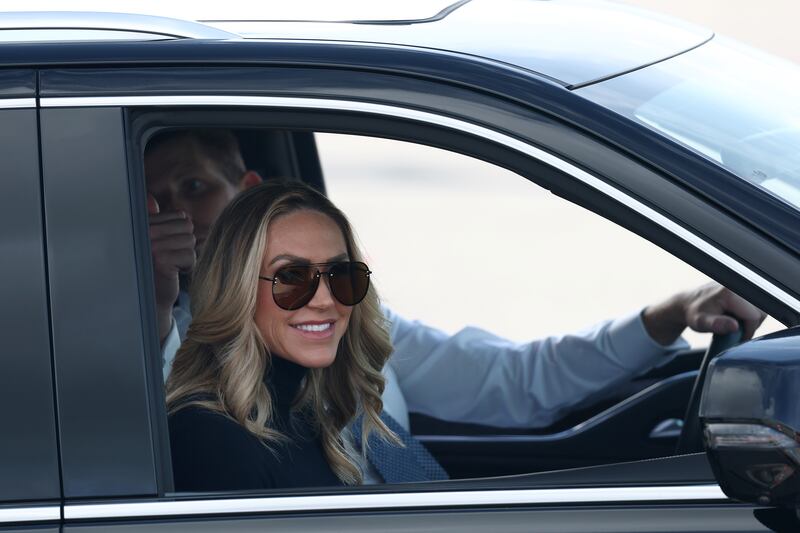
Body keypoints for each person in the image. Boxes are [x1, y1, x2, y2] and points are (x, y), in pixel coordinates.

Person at [147, 128, 767, 483]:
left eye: (195, 188)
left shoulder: (350, 325)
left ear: (245, 192)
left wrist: (670, 313)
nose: (177, 212)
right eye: (151, 200)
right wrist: (155, 301)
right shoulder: (175, 381)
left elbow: (516, 381)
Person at [167, 182, 396, 490]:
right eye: (290, 277)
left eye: (340, 274)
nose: (325, 300)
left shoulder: (303, 412)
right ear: (238, 291)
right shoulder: (210, 438)